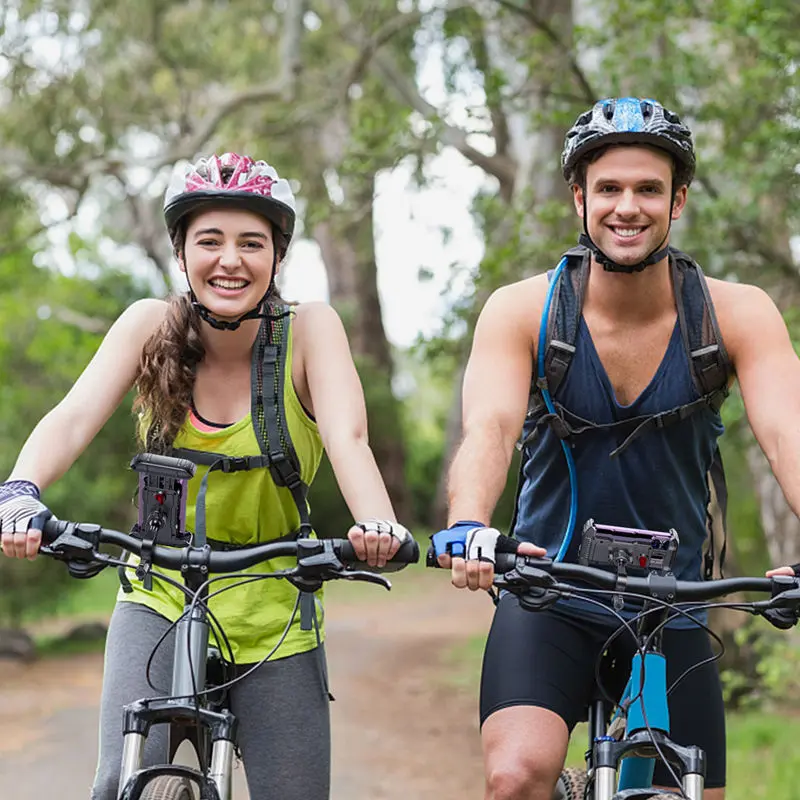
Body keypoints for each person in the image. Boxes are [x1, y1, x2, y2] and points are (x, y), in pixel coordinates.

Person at [0, 152, 412, 800]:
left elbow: (348, 438)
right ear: (181, 252)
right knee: (118, 782)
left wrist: (378, 525)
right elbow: (74, 417)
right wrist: (20, 493)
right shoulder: (149, 325)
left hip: (275, 597)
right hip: (159, 589)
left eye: (251, 243)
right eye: (210, 240)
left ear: (277, 257)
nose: (230, 260)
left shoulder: (311, 331)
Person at [432, 98, 800, 800]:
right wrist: (471, 524)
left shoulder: (736, 313)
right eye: (608, 188)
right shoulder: (524, 310)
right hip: (548, 591)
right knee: (516, 776)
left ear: (678, 201)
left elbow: (789, 437)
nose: (627, 207)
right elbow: (490, 429)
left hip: (675, 602)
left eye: (648, 189)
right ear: (580, 198)